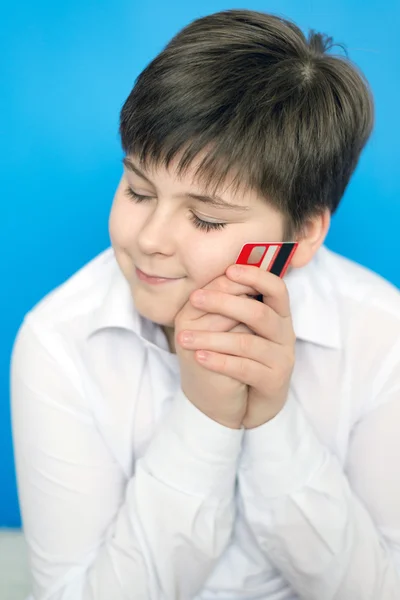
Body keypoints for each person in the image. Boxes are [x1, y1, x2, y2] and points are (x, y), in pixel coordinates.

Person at [10, 8, 400, 600]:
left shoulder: (381, 332)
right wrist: (205, 416)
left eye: (207, 217)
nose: (150, 239)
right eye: (138, 190)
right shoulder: (60, 339)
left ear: (305, 234)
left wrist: (271, 420)